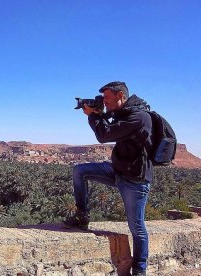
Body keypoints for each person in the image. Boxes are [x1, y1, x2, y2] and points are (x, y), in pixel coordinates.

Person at [64, 81, 153, 276]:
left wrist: (93, 117)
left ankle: (140, 269)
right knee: (79, 171)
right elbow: (110, 125)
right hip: (118, 171)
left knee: (136, 227)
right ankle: (82, 217)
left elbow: (104, 135)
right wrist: (100, 113)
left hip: (135, 180)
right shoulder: (125, 113)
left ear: (120, 95)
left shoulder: (139, 117)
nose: (104, 102)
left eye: (107, 98)